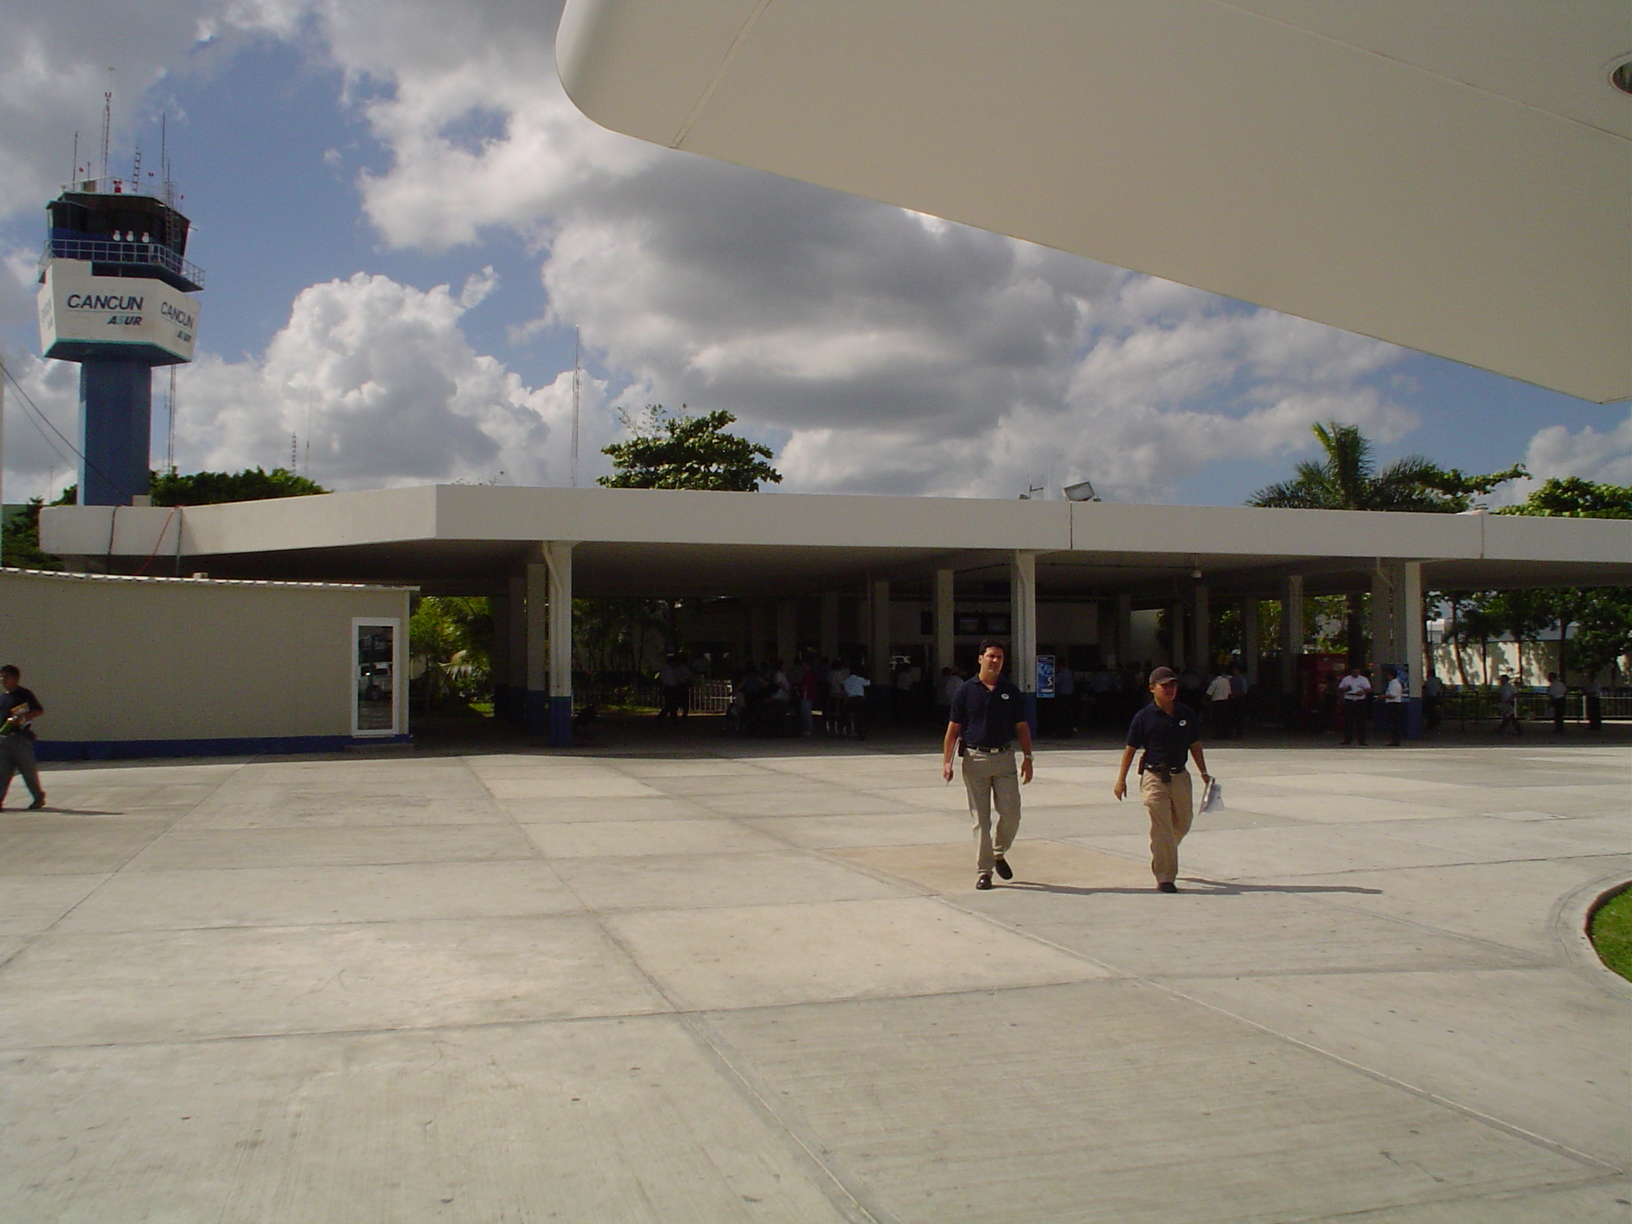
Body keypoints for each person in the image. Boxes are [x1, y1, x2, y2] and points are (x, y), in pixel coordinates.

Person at [942, 639, 1033, 890]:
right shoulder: (966, 691)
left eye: (999, 657)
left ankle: (998, 851)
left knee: (1011, 813)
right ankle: (985, 871)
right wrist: (947, 762)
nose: (995, 661)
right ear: (980, 658)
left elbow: (1022, 727)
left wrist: (1028, 758)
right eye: (991, 656)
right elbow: (953, 729)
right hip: (975, 760)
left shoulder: (1010, 691)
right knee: (981, 819)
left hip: (1004, 759)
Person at [1114, 666, 1209, 893]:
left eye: (1173, 685)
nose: (1169, 689)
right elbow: (1130, 749)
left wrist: (1204, 773)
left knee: (1183, 823)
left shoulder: (1185, 714)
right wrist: (1121, 780)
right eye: (1164, 685)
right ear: (1152, 688)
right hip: (1154, 777)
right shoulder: (1143, 717)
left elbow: (1195, 744)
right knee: (1162, 826)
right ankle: (1166, 876)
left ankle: (1162, 850)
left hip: (1179, 776)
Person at [0, 665, 47, 811]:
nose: (2, 680)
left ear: (15, 678)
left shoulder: (24, 695)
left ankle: (38, 798)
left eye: (6, 676)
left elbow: (38, 710)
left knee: (28, 771)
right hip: (3, 739)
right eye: (1, 677)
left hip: (20, 739)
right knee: (2, 772)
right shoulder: (2, 697)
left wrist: (22, 718)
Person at [1337, 664, 1372, 744]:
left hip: (1359, 700)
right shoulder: (1346, 679)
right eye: (1355, 672)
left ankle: (1361, 740)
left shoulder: (1363, 679)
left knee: (1360, 721)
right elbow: (1339, 688)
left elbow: (1369, 689)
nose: (1356, 673)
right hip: (1349, 700)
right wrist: (1345, 689)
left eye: (1357, 672)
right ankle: (1347, 739)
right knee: (1348, 721)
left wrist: (1363, 692)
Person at [842, 666, 871, 739]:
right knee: (859, 716)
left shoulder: (846, 680)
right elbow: (868, 683)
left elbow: (844, 688)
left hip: (850, 699)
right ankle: (860, 732)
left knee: (848, 715)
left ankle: (847, 729)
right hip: (859, 699)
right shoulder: (859, 679)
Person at [1205, 665, 1233, 738]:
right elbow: (1229, 693)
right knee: (1225, 719)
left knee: (1217, 719)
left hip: (1217, 702)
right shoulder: (1226, 681)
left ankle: (1219, 734)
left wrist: (1205, 700)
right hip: (1225, 702)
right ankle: (1226, 734)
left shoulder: (1215, 682)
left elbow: (1209, 693)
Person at [1381, 665, 1406, 746]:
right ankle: (1394, 740)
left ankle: (1395, 740)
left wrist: (1383, 696)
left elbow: (1392, 695)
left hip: (1394, 704)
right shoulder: (1392, 683)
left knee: (1394, 723)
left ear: (1390, 675)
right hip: (1392, 704)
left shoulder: (1394, 684)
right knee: (1392, 723)